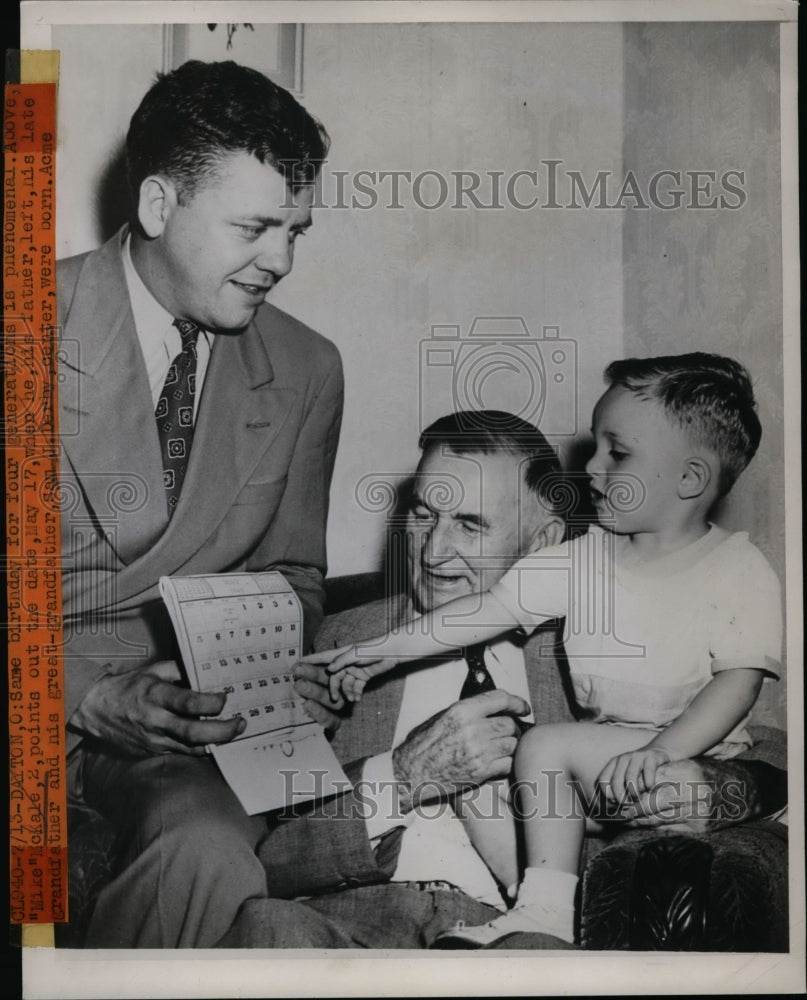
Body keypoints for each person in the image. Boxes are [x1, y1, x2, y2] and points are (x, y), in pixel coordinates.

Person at [316, 355, 782, 948]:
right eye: (424, 514)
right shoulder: (334, 638)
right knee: (487, 777)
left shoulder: (725, 571)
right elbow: (257, 833)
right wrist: (385, 657)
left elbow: (752, 719)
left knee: (536, 748)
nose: (433, 551)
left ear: (540, 543)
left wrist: (701, 778)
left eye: (470, 524)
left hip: (631, 782)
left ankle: (544, 919)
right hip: (349, 923)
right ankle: (534, 908)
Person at [58, 60, 342, 947]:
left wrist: (252, 663)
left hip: (180, 726)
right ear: (155, 207)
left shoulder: (307, 368)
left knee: (212, 849)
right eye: (255, 227)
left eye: (296, 230)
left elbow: (294, 574)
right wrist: (89, 696)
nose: (282, 262)